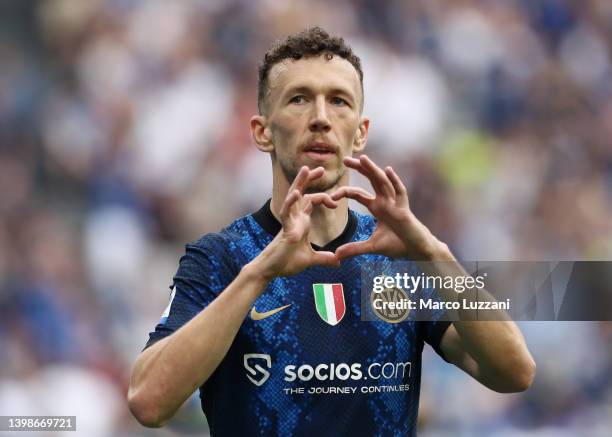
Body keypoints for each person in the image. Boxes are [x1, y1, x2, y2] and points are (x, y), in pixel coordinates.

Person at [127, 27, 536, 436]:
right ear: (262, 131)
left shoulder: (402, 261)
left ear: (360, 132)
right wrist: (259, 273)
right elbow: (149, 401)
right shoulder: (223, 257)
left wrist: (431, 252)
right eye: (299, 99)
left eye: (339, 101)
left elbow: (514, 372)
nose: (321, 118)